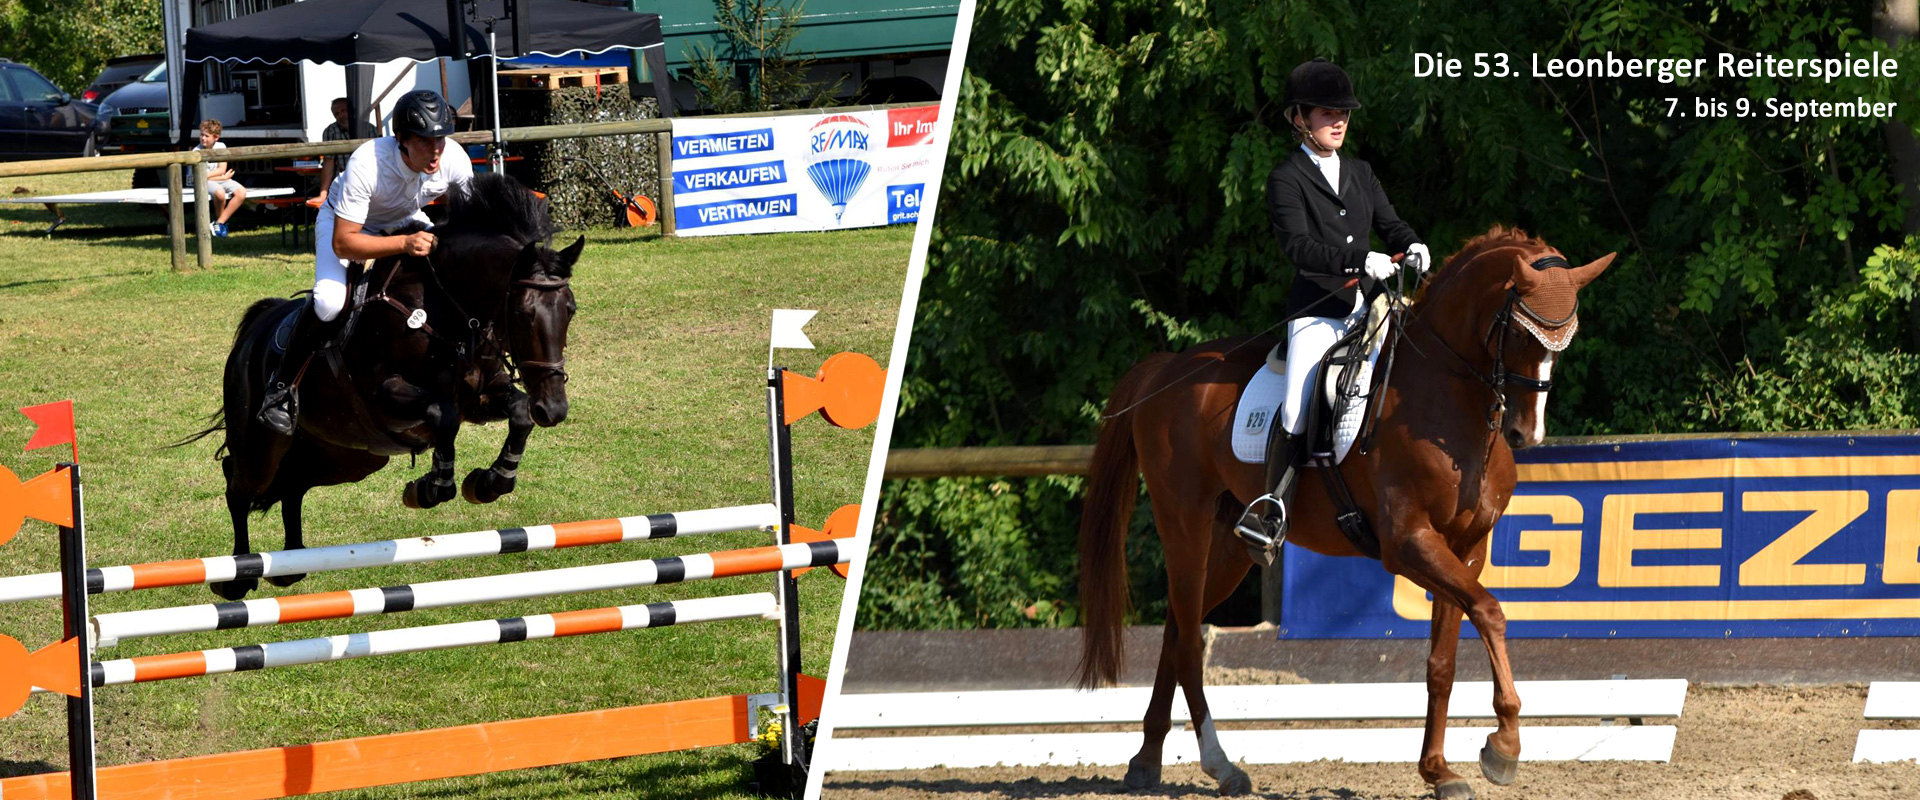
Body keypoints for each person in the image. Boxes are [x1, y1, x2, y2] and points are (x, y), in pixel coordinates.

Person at [1234, 57, 1432, 565]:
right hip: (1319, 312)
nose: (1339, 121)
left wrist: (1411, 244)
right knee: (1300, 405)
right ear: (1299, 118)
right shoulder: (1286, 178)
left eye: (1343, 113)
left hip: (1371, 308)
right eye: (1327, 113)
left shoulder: (1362, 173)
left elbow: (1391, 224)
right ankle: (1272, 506)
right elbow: (1297, 247)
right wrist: (1354, 257)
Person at [256, 90, 474, 436]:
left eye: (440, 139)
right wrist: (404, 244)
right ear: (401, 138)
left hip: (404, 219)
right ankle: (282, 387)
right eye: (424, 141)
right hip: (344, 225)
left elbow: (469, 220)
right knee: (329, 302)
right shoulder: (368, 162)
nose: (435, 150)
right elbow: (346, 242)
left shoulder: (454, 159)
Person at [193, 119, 247, 237]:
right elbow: (199, 177)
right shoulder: (196, 151)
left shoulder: (221, 146)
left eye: (206, 136)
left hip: (220, 178)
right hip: (207, 182)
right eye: (201, 135)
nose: (203, 138)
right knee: (219, 193)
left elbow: (222, 169)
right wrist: (221, 177)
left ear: (216, 137)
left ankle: (219, 223)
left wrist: (221, 176)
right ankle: (221, 226)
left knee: (241, 192)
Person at [316, 97, 353, 201]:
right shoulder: (330, 131)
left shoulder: (369, 128)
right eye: (337, 114)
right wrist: (323, 194)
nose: (341, 115)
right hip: (343, 184)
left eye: (343, 111)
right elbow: (329, 163)